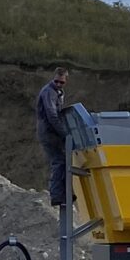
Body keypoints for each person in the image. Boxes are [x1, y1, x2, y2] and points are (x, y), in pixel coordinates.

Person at [34, 66, 71, 207]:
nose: (59, 84)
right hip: (48, 132)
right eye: (56, 81)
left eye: (62, 82)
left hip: (52, 132)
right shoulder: (49, 92)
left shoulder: (59, 92)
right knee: (59, 161)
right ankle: (57, 195)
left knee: (65, 161)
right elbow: (52, 116)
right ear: (53, 78)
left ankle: (65, 193)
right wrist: (65, 133)